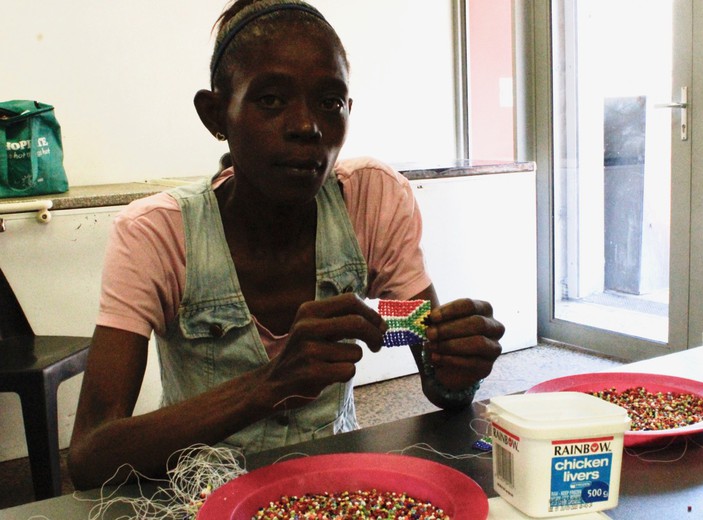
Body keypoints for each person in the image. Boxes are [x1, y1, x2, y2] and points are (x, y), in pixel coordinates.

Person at [68, 0, 504, 490]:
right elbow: (88, 455)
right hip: (204, 494)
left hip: (335, 482)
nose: (307, 126)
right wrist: (267, 386)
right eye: (271, 100)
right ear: (216, 115)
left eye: (330, 102)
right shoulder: (157, 234)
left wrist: (459, 364)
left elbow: (440, 382)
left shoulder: (372, 199)